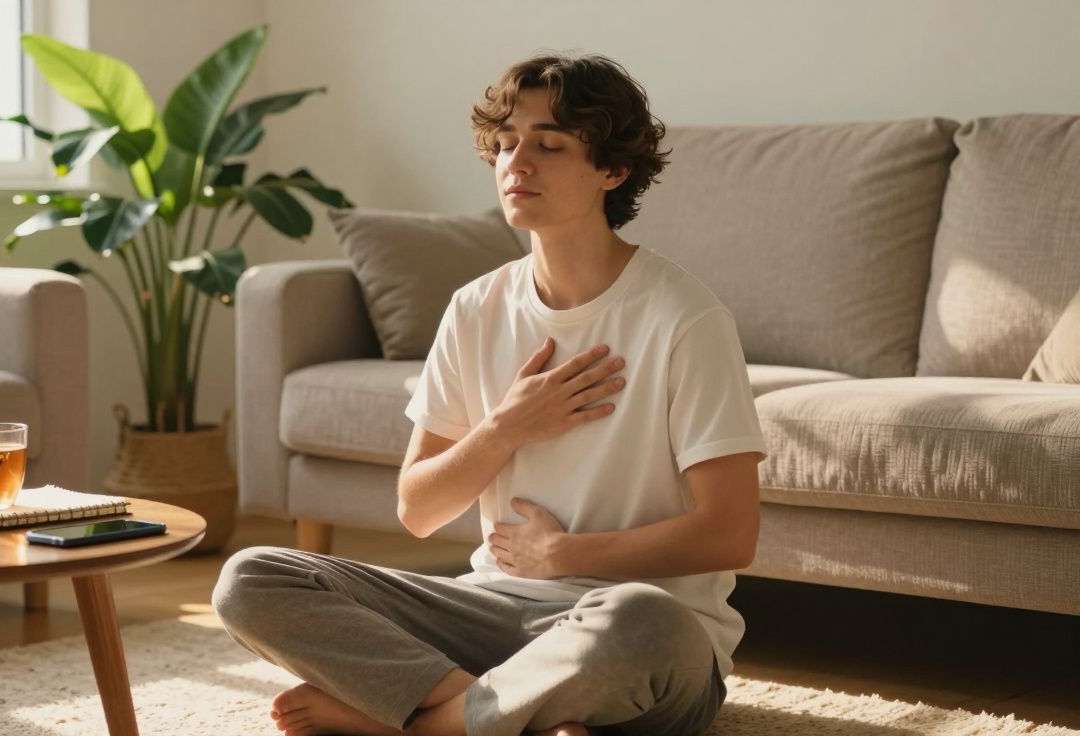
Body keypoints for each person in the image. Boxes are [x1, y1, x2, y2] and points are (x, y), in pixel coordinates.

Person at [212, 51, 767, 736]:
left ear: (613, 171)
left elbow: (730, 534)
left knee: (641, 622)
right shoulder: (476, 308)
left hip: (639, 636)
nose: (516, 163)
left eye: (549, 145)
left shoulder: (684, 317)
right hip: (492, 615)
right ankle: (498, 709)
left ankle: (419, 724)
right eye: (506, 144)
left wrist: (564, 557)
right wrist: (505, 428)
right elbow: (419, 508)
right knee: (252, 578)